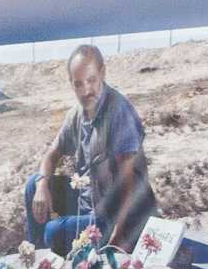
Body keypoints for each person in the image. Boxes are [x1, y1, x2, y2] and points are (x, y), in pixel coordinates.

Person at [22, 44, 157, 255]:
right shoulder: (78, 113)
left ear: (102, 73)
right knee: (33, 185)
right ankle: (39, 259)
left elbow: (127, 181)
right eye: (78, 84)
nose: (86, 90)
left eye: (92, 80)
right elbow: (53, 152)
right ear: (71, 83)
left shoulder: (118, 111)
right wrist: (42, 186)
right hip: (89, 201)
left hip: (119, 214)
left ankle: (52, 246)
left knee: (53, 233)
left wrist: (119, 238)